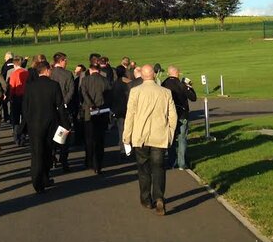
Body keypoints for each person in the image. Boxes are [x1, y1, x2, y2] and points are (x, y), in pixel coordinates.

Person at [123, 64, 176, 216]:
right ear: (153, 75)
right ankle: (159, 196)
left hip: (141, 136)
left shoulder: (135, 91)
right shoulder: (165, 92)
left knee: (143, 168)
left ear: (142, 75)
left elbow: (130, 115)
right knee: (159, 168)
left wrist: (127, 136)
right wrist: (170, 133)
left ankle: (146, 198)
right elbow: (173, 116)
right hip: (159, 136)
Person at [22, 60, 72, 193]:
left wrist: (25, 124)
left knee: (36, 152)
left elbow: (25, 107)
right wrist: (66, 124)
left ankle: (37, 179)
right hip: (50, 123)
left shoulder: (29, 86)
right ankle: (45, 176)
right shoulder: (54, 85)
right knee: (48, 151)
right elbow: (60, 107)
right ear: (46, 70)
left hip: (34, 124)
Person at [161, 65, 197, 169]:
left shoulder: (164, 84)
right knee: (182, 138)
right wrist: (189, 86)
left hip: (168, 115)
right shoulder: (182, 84)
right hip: (182, 114)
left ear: (168, 73)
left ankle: (172, 161)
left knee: (171, 139)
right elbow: (193, 98)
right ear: (178, 73)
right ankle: (182, 163)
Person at [79, 63, 111, 174]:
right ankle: (99, 163)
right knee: (100, 139)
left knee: (89, 139)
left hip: (89, 112)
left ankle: (89, 161)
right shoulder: (105, 80)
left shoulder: (85, 80)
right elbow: (108, 96)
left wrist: (91, 104)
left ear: (90, 70)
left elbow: (83, 93)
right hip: (102, 112)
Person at [50, 52, 75, 171]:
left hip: (51, 108)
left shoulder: (49, 73)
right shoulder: (68, 74)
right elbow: (71, 90)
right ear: (61, 61)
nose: (66, 63)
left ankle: (53, 154)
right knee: (65, 133)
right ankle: (63, 159)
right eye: (65, 61)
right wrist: (64, 103)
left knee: (52, 133)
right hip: (63, 109)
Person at [7, 57, 29, 145]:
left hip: (16, 97)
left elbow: (12, 87)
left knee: (15, 118)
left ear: (14, 64)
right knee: (24, 117)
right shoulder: (26, 72)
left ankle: (16, 136)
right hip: (26, 97)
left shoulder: (14, 74)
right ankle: (23, 136)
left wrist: (10, 97)